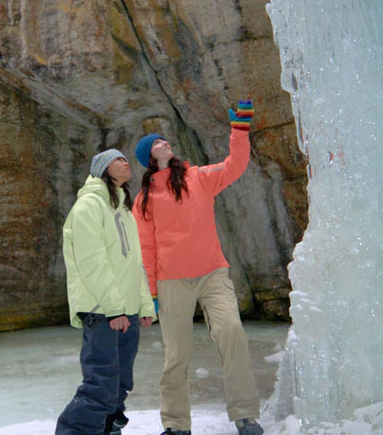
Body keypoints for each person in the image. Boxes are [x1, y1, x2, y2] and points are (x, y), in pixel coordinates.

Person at [132, 100, 264, 435]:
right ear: (149, 156)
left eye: (166, 139)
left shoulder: (198, 177)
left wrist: (239, 129)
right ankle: (176, 426)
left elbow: (235, 165)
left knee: (231, 332)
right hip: (172, 281)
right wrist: (150, 294)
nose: (165, 142)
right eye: (157, 142)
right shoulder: (144, 199)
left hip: (212, 274)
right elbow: (145, 249)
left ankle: (245, 415)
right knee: (177, 354)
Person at [55, 149, 157, 435]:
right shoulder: (89, 206)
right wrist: (115, 309)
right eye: (118, 159)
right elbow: (93, 263)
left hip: (125, 311)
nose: (126, 163)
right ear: (103, 168)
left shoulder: (123, 210)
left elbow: (133, 263)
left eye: (126, 159)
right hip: (103, 311)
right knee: (101, 381)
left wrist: (143, 307)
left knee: (121, 382)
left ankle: (108, 429)